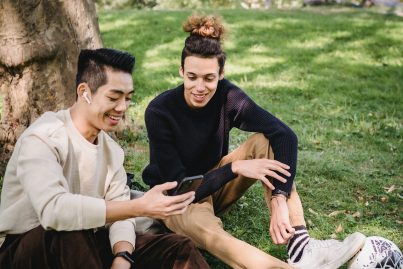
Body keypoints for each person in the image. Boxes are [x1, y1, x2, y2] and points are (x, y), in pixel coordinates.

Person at [142, 14, 366, 269]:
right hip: (176, 200)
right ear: (181, 71)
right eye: (192, 77)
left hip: (215, 183)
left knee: (264, 141)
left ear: (221, 74)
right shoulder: (160, 112)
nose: (200, 87)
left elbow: (284, 136)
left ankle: (301, 246)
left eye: (209, 78)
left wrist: (279, 197)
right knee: (211, 233)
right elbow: (183, 190)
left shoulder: (228, 96)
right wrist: (234, 169)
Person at [0, 48, 211, 269]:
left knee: (177, 248)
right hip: (26, 251)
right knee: (69, 230)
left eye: (128, 98)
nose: (122, 108)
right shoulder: (43, 136)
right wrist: (140, 206)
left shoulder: (111, 150)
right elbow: (55, 211)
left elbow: (121, 214)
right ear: (84, 92)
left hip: (85, 245)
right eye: (113, 97)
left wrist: (123, 256)